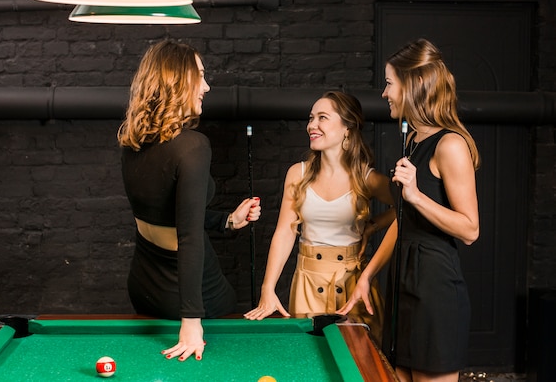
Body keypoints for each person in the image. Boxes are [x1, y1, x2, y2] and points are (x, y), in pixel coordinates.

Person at [339, 38, 480, 382]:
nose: (385, 93)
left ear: (412, 85)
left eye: (389, 83)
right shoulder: (413, 140)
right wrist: (368, 276)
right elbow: (404, 223)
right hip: (403, 284)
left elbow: (470, 230)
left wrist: (416, 195)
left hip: (435, 291)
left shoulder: (450, 144)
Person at [117, 40, 261, 362]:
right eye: (200, 75)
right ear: (176, 81)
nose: (207, 87)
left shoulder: (132, 143)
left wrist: (227, 220)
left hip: (144, 288)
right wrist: (191, 321)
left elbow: (167, 217)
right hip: (195, 297)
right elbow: (189, 237)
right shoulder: (192, 146)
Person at [244, 91, 395, 344]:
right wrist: (267, 288)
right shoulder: (297, 173)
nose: (312, 125)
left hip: (353, 287)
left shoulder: (367, 178)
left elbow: (408, 208)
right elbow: (285, 232)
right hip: (306, 282)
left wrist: (375, 226)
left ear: (347, 128)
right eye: (311, 118)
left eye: (322, 118)